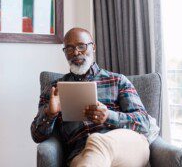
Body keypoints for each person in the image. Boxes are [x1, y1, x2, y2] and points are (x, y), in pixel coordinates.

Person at [31, 28, 159, 167]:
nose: (75, 52)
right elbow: (37, 136)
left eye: (81, 46)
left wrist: (109, 116)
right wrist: (50, 114)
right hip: (82, 154)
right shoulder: (54, 89)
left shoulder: (118, 81)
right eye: (69, 48)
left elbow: (144, 123)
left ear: (93, 47)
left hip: (126, 147)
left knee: (96, 141)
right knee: (90, 152)